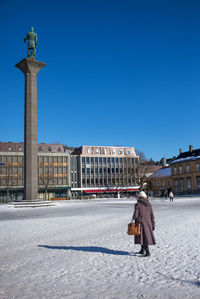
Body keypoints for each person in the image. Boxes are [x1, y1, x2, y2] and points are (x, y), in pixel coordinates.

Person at [132, 191, 156, 257]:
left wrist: (134, 217)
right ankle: (142, 249)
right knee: (144, 236)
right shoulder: (149, 204)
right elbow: (152, 214)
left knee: (143, 237)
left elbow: (135, 215)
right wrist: (153, 223)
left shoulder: (138, 204)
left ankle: (147, 251)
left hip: (140, 222)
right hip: (148, 222)